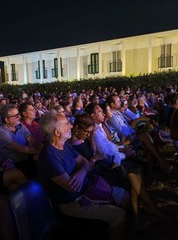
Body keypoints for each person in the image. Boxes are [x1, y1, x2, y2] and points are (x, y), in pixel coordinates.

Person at [38, 110, 126, 240]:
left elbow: (84, 162)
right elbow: (72, 187)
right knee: (118, 216)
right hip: (72, 203)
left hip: (87, 189)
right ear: (57, 132)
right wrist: (84, 170)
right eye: (67, 124)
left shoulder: (64, 145)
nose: (71, 126)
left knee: (125, 196)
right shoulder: (49, 157)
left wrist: (81, 172)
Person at [85, 103, 160, 219]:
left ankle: (140, 209)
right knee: (133, 173)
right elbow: (104, 153)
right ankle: (144, 208)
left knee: (135, 172)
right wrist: (124, 153)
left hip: (115, 157)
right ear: (93, 115)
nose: (103, 113)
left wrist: (122, 150)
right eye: (100, 111)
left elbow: (111, 146)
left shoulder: (99, 127)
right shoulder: (93, 131)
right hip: (108, 164)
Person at [106, 94, 174, 173]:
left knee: (151, 129)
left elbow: (129, 123)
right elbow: (123, 132)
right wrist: (134, 132)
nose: (120, 102)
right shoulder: (111, 117)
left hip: (132, 134)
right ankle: (162, 162)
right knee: (146, 136)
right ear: (112, 104)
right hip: (127, 139)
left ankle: (159, 160)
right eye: (118, 101)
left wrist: (135, 129)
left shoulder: (117, 112)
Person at [0, 104, 40, 179]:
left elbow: (32, 140)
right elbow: (22, 149)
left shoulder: (19, 125)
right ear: (7, 120)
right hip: (13, 164)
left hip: (25, 159)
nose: (20, 117)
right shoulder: (1, 133)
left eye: (19, 114)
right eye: (16, 116)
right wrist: (42, 151)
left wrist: (41, 147)